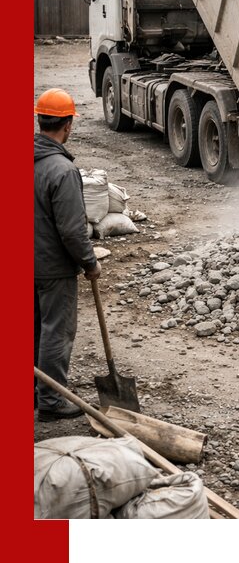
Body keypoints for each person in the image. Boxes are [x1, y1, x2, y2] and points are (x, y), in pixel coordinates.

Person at [34, 88, 101, 420]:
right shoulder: (62, 170)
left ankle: (34, 389)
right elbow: (73, 231)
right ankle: (50, 401)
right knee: (56, 330)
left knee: (33, 328)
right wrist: (90, 262)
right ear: (68, 125)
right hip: (52, 267)